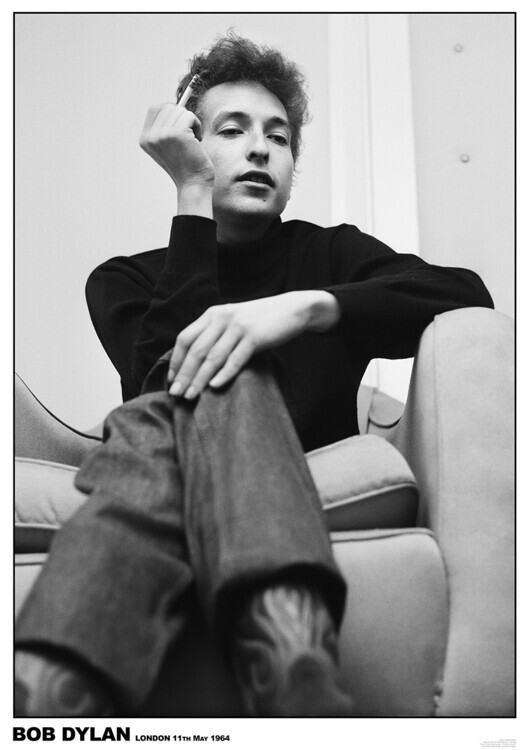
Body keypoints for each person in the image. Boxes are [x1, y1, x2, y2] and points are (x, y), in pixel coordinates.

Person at [14, 33, 494, 718]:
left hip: (196, 469)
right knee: (211, 367)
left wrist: (304, 308)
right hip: (209, 472)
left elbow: (464, 293)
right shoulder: (123, 279)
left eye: (279, 136)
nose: (261, 149)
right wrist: (191, 191)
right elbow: (164, 387)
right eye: (232, 130)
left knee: (186, 392)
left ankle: (49, 693)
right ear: (190, 144)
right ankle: (292, 660)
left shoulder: (330, 254)